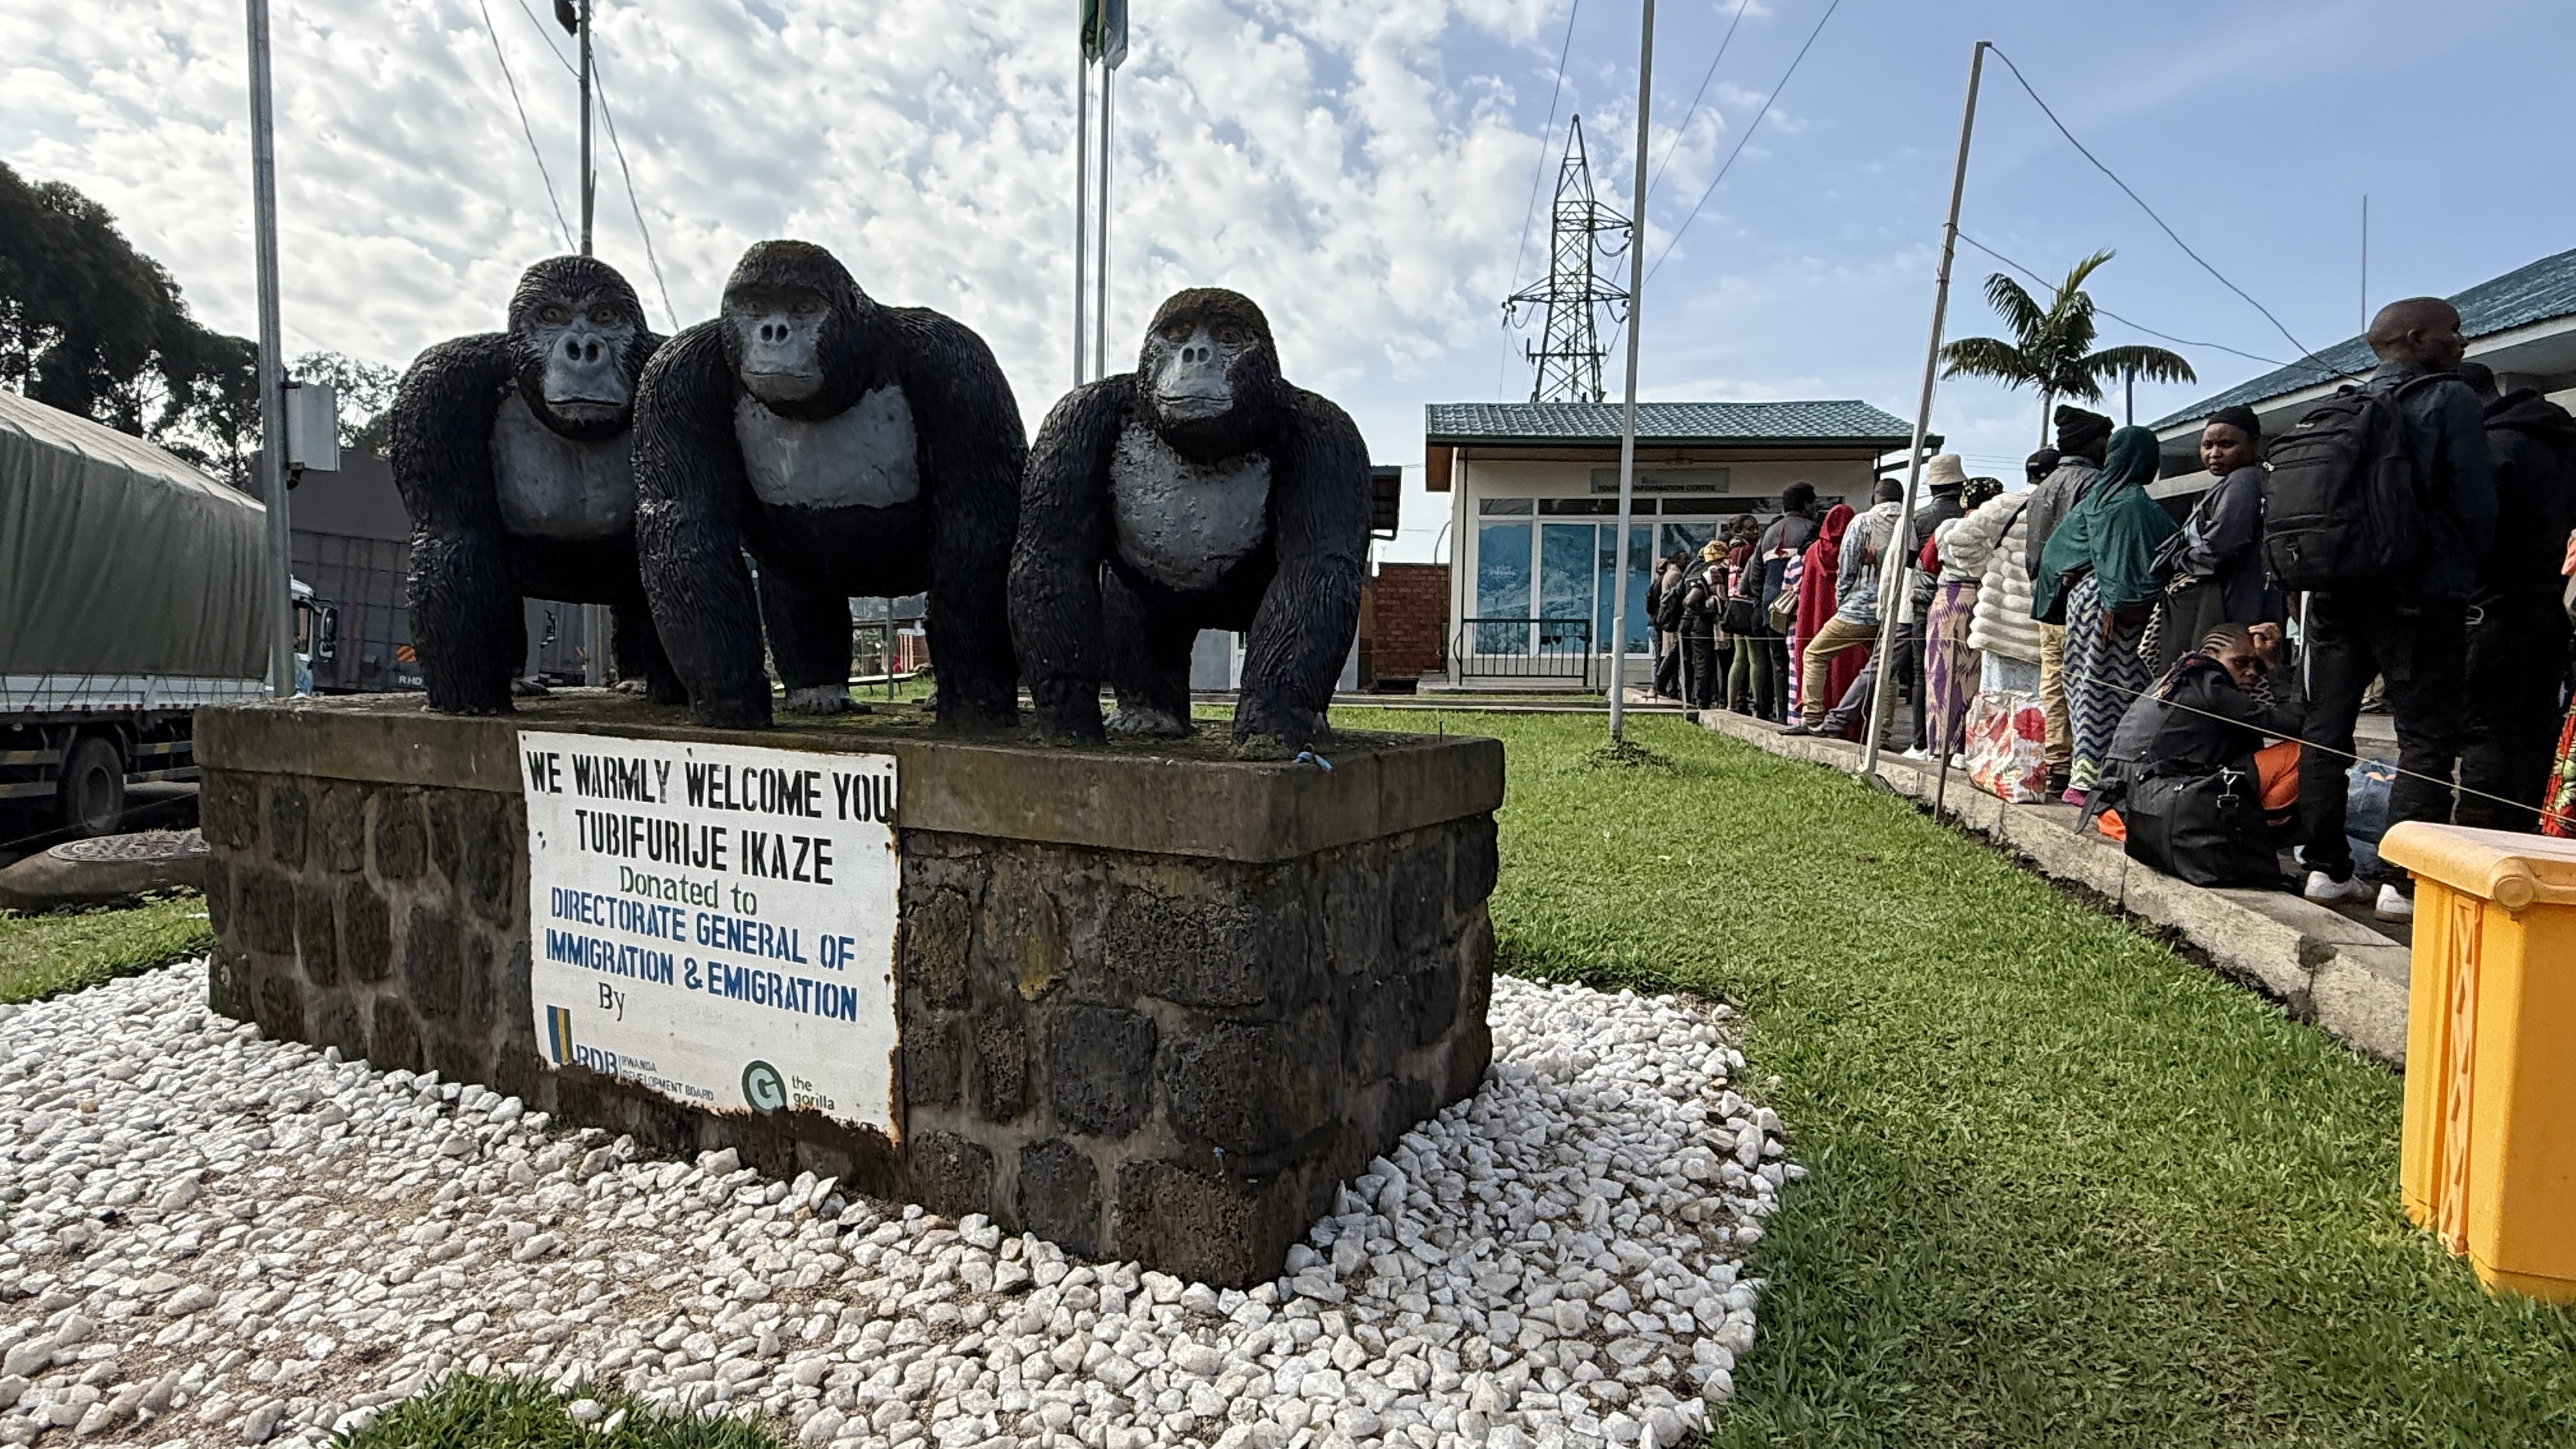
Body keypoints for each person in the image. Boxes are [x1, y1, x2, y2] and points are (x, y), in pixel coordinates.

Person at [2298, 297, 2497, 921]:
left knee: (2325, 729)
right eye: (2454, 331)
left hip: (2334, 589)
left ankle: (2325, 869)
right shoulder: (2450, 399)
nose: (2463, 341)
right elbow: (2476, 504)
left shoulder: (2344, 401)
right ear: (2417, 339)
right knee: (2426, 736)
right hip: (2416, 592)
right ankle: (2401, 882)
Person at [2085, 622, 2304, 885]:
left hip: (2122, 808)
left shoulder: (2174, 679)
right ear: (2210, 656)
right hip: (2148, 812)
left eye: (2258, 666)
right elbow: (2297, 726)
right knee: (2305, 753)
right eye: (2241, 662)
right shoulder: (2210, 682)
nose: (2252, 672)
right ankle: (2252, 841)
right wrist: (2274, 666)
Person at [2455, 361, 2576, 830]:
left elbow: (2473, 535)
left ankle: (2478, 842)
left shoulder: (2489, 448)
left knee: (2485, 732)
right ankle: (2530, 835)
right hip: (2555, 607)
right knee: (2537, 726)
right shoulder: (2562, 441)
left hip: (2491, 608)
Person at [2035, 424, 2177, 803]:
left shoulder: (2096, 498)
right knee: (2117, 691)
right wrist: (2119, 599)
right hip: (2117, 611)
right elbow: (2130, 561)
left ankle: (2083, 778)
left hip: (2084, 604)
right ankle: (2106, 779)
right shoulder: (2130, 502)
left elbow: (2054, 554)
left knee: (2084, 687)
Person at [2154, 405, 2283, 673]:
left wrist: (2178, 558)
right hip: (2229, 604)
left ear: (2254, 443)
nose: (2214, 454)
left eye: (2227, 444)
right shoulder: (2233, 483)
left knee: (2221, 684)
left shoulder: (2244, 482)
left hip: (2230, 607)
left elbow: (2218, 550)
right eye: (2207, 445)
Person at [2025, 410, 2113, 792]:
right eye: (2104, 440)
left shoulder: (2042, 488)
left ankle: (2057, 763)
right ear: (2092, 442)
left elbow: (2033, 553)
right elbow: (2099, 545)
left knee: (2053, 685)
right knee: (2087, 685)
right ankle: (2083, 767)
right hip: (2082, 603)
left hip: (2047, 603)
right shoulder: (2096, 483)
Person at [1788, 480, 1905, 737]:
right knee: (1885, 670)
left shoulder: (1863, 522)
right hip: (1893, 611)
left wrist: (1843, 602)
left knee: (1815, 654)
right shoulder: (1909, 522)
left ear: (1876, 498)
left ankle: (1812, 717)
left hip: (1859, 608)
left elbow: (1847, 567)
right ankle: (1882, 732)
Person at [1922, 475, 2005, 762]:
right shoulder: (1998, 529)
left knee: (1941, 675)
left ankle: (1941, 745)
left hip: (1949, 599)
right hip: (1986, 599)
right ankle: (1969, 746)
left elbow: (1928, 562)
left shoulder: (1949, 526)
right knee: (1977, 676)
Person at [1898, 456, 1970, 753]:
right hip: (1966, 599)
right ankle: (1959, 743)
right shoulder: (1971, 516)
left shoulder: (1919, 518)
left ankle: (1922, 741)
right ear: (1960, 483)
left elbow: (1909, 561)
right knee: (1964, 674)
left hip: (1926, 600)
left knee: (1923, 673)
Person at [1786, 502, 1856, 732]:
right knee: (1855, 671)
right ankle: (1854, 726)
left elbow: (1807, 594)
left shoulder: (1813, 551)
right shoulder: (1856, 550)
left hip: (1818, 620)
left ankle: (1813, 717)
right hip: (1852, 619)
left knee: (1815, 659)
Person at [1758, 484, 1821, 720]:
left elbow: (1755, 576)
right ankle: (1801, 712)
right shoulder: (1812, 530)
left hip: (1773, 607)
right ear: (1806, 505)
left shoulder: (1768, 533)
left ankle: (1782, 714)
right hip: (1801, 608)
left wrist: (1764, 602)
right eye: (1814, 503)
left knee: (1779, 664)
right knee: (1804, 661)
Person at [1721, 514, 1770, 714]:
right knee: (1756, 658)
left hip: (1734, 607)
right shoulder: (1750, 550)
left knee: (1739, 657)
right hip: (1748, 606)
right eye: (1751, 529)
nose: (1756, 532)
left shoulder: (1732, 552)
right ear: (1740, 531)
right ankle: (1759, 704)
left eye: (1757, 528)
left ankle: (1731, 703)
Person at [1678, 539, 1725, 712]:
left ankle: (1701, 699)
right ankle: (1718, 699)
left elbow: (1687, 600)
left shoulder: (1700, 572)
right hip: (1718, 623)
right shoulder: (1723, 572)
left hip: (1700, 623)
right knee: (1720, 662)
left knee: (1702, 663)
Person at [1647, 551, 1692, 700]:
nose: (1688, 562)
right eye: (1685, 559)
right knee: (1672, 656)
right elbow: (1678, 599)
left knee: (1667, 656)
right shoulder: (1675, 576)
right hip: (1671, 622)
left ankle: (1667, 687)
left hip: (1664, 623)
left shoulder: (1664, 578)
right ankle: (1667, 688)